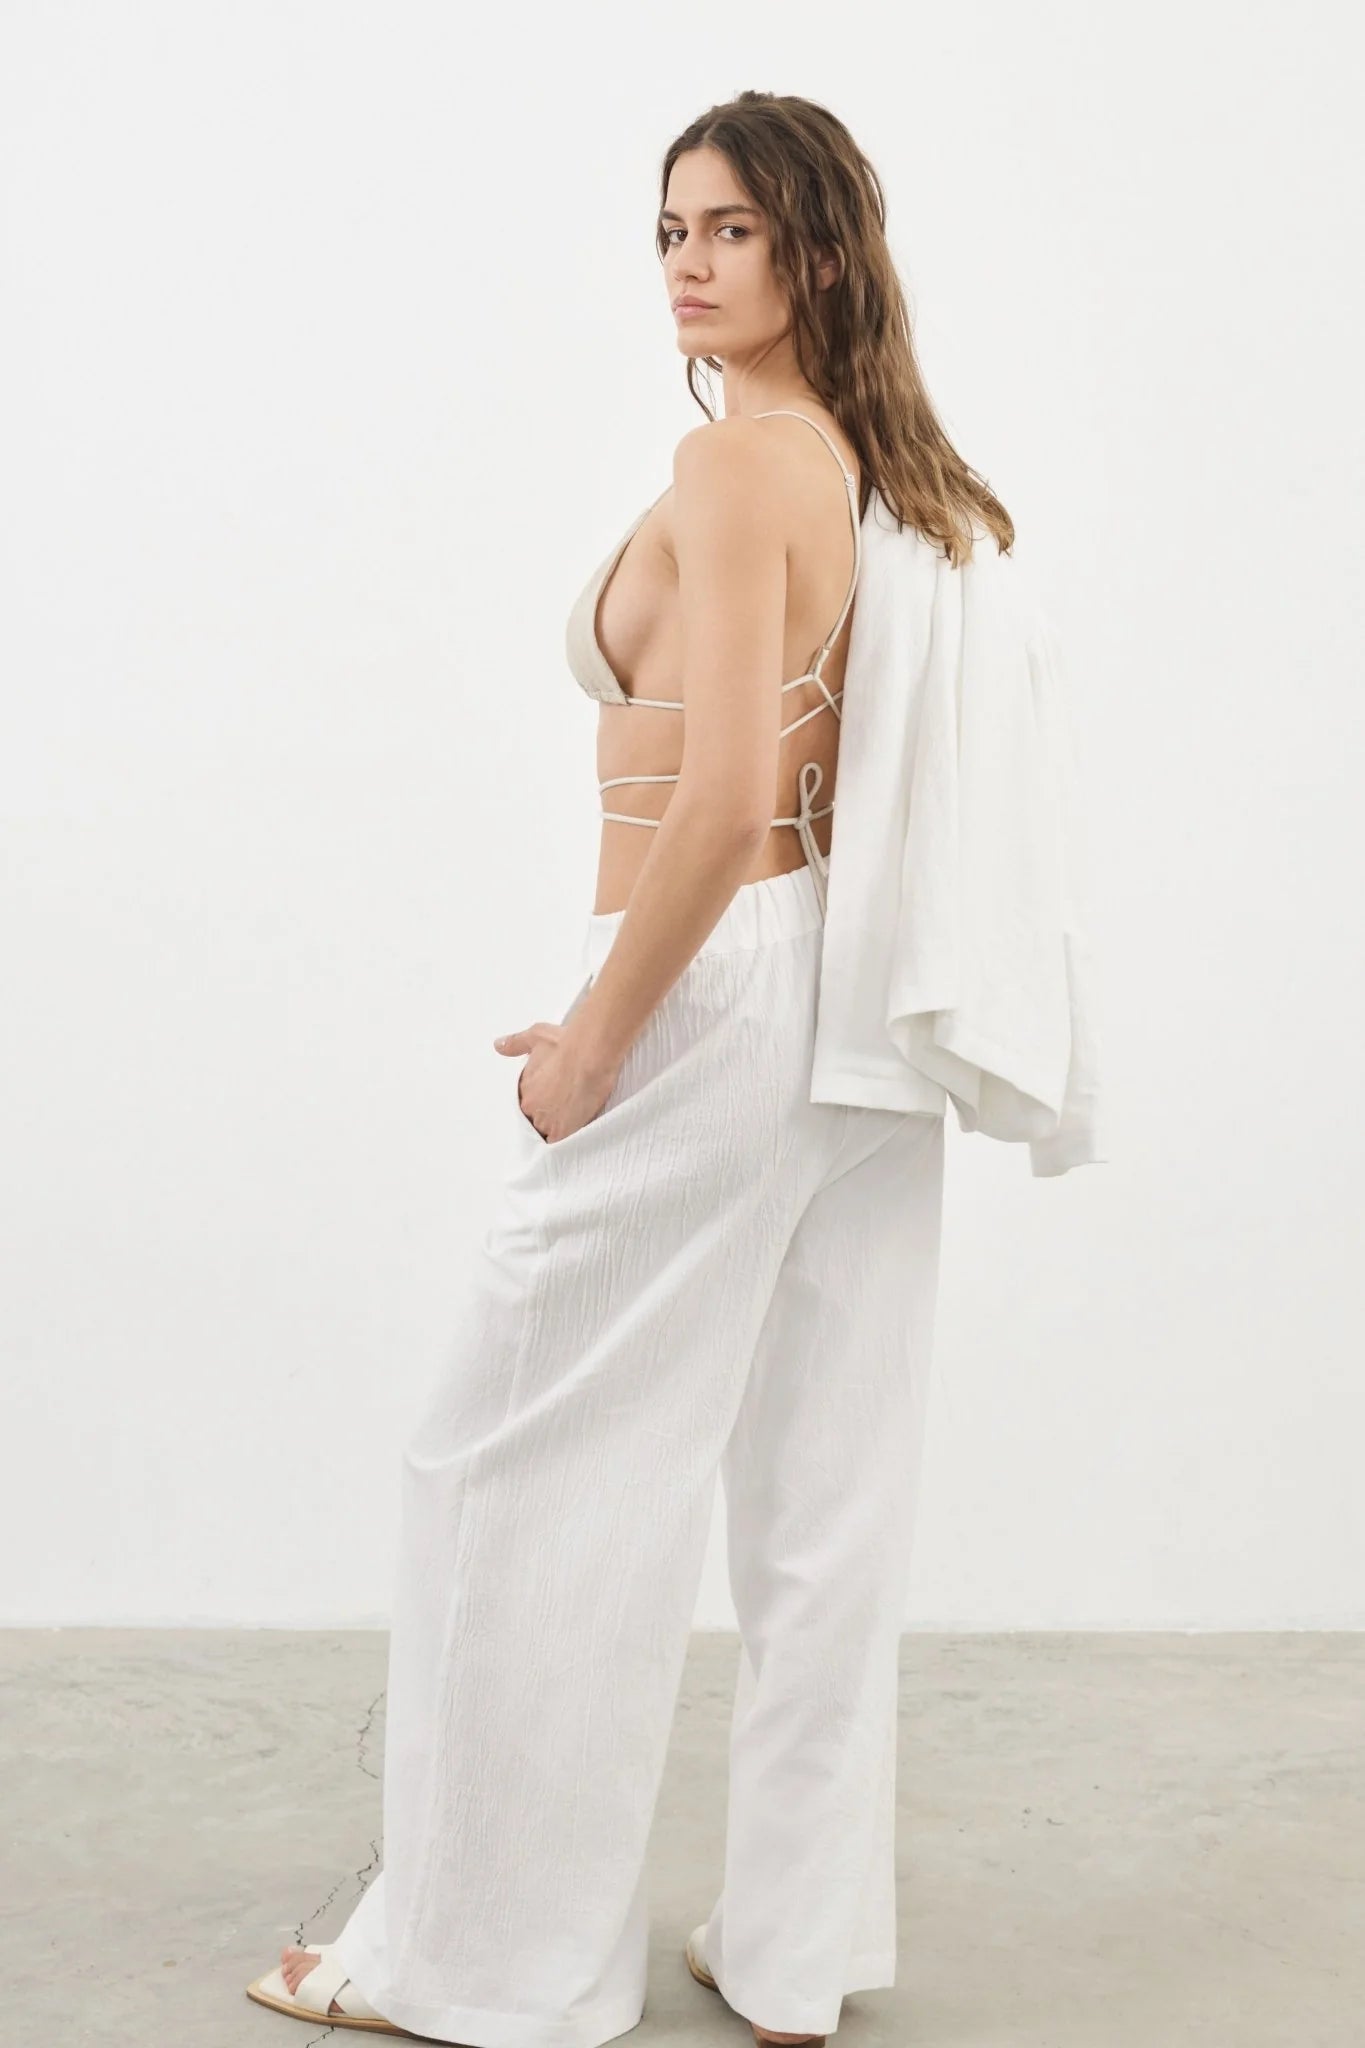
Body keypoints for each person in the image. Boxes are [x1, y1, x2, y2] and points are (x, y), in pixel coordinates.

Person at [247, 88, 1020, 2048]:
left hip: (723, 973)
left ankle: (479, 1961)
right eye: (669, 227)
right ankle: (789, 1955)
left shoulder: (742, 463)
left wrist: (600, 1038)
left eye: (728, 228)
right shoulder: (865, 465)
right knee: (819, 1497)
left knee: (506, 1468)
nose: (685, 260)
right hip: (840, 989)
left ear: (815, 253)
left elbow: (728, 792)